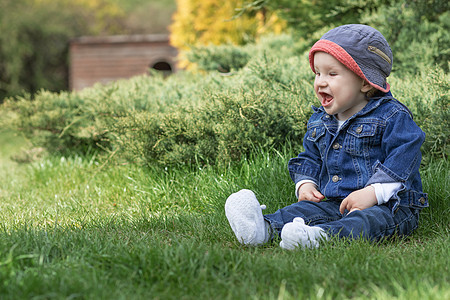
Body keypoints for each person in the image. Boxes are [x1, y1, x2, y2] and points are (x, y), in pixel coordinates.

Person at [224, 24, 429, 250]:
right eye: (318, 73)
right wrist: (306, 184)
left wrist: (373, 193)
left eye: (332, 74)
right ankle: (262, 229)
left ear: (364, 81)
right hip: (334, 202)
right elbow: (310, 156)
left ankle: (320, 237)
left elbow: (404, 157)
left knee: (367, 222)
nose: (321, 81)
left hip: (389, 205)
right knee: (302, 211)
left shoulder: (391, 115)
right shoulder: (321, 119)